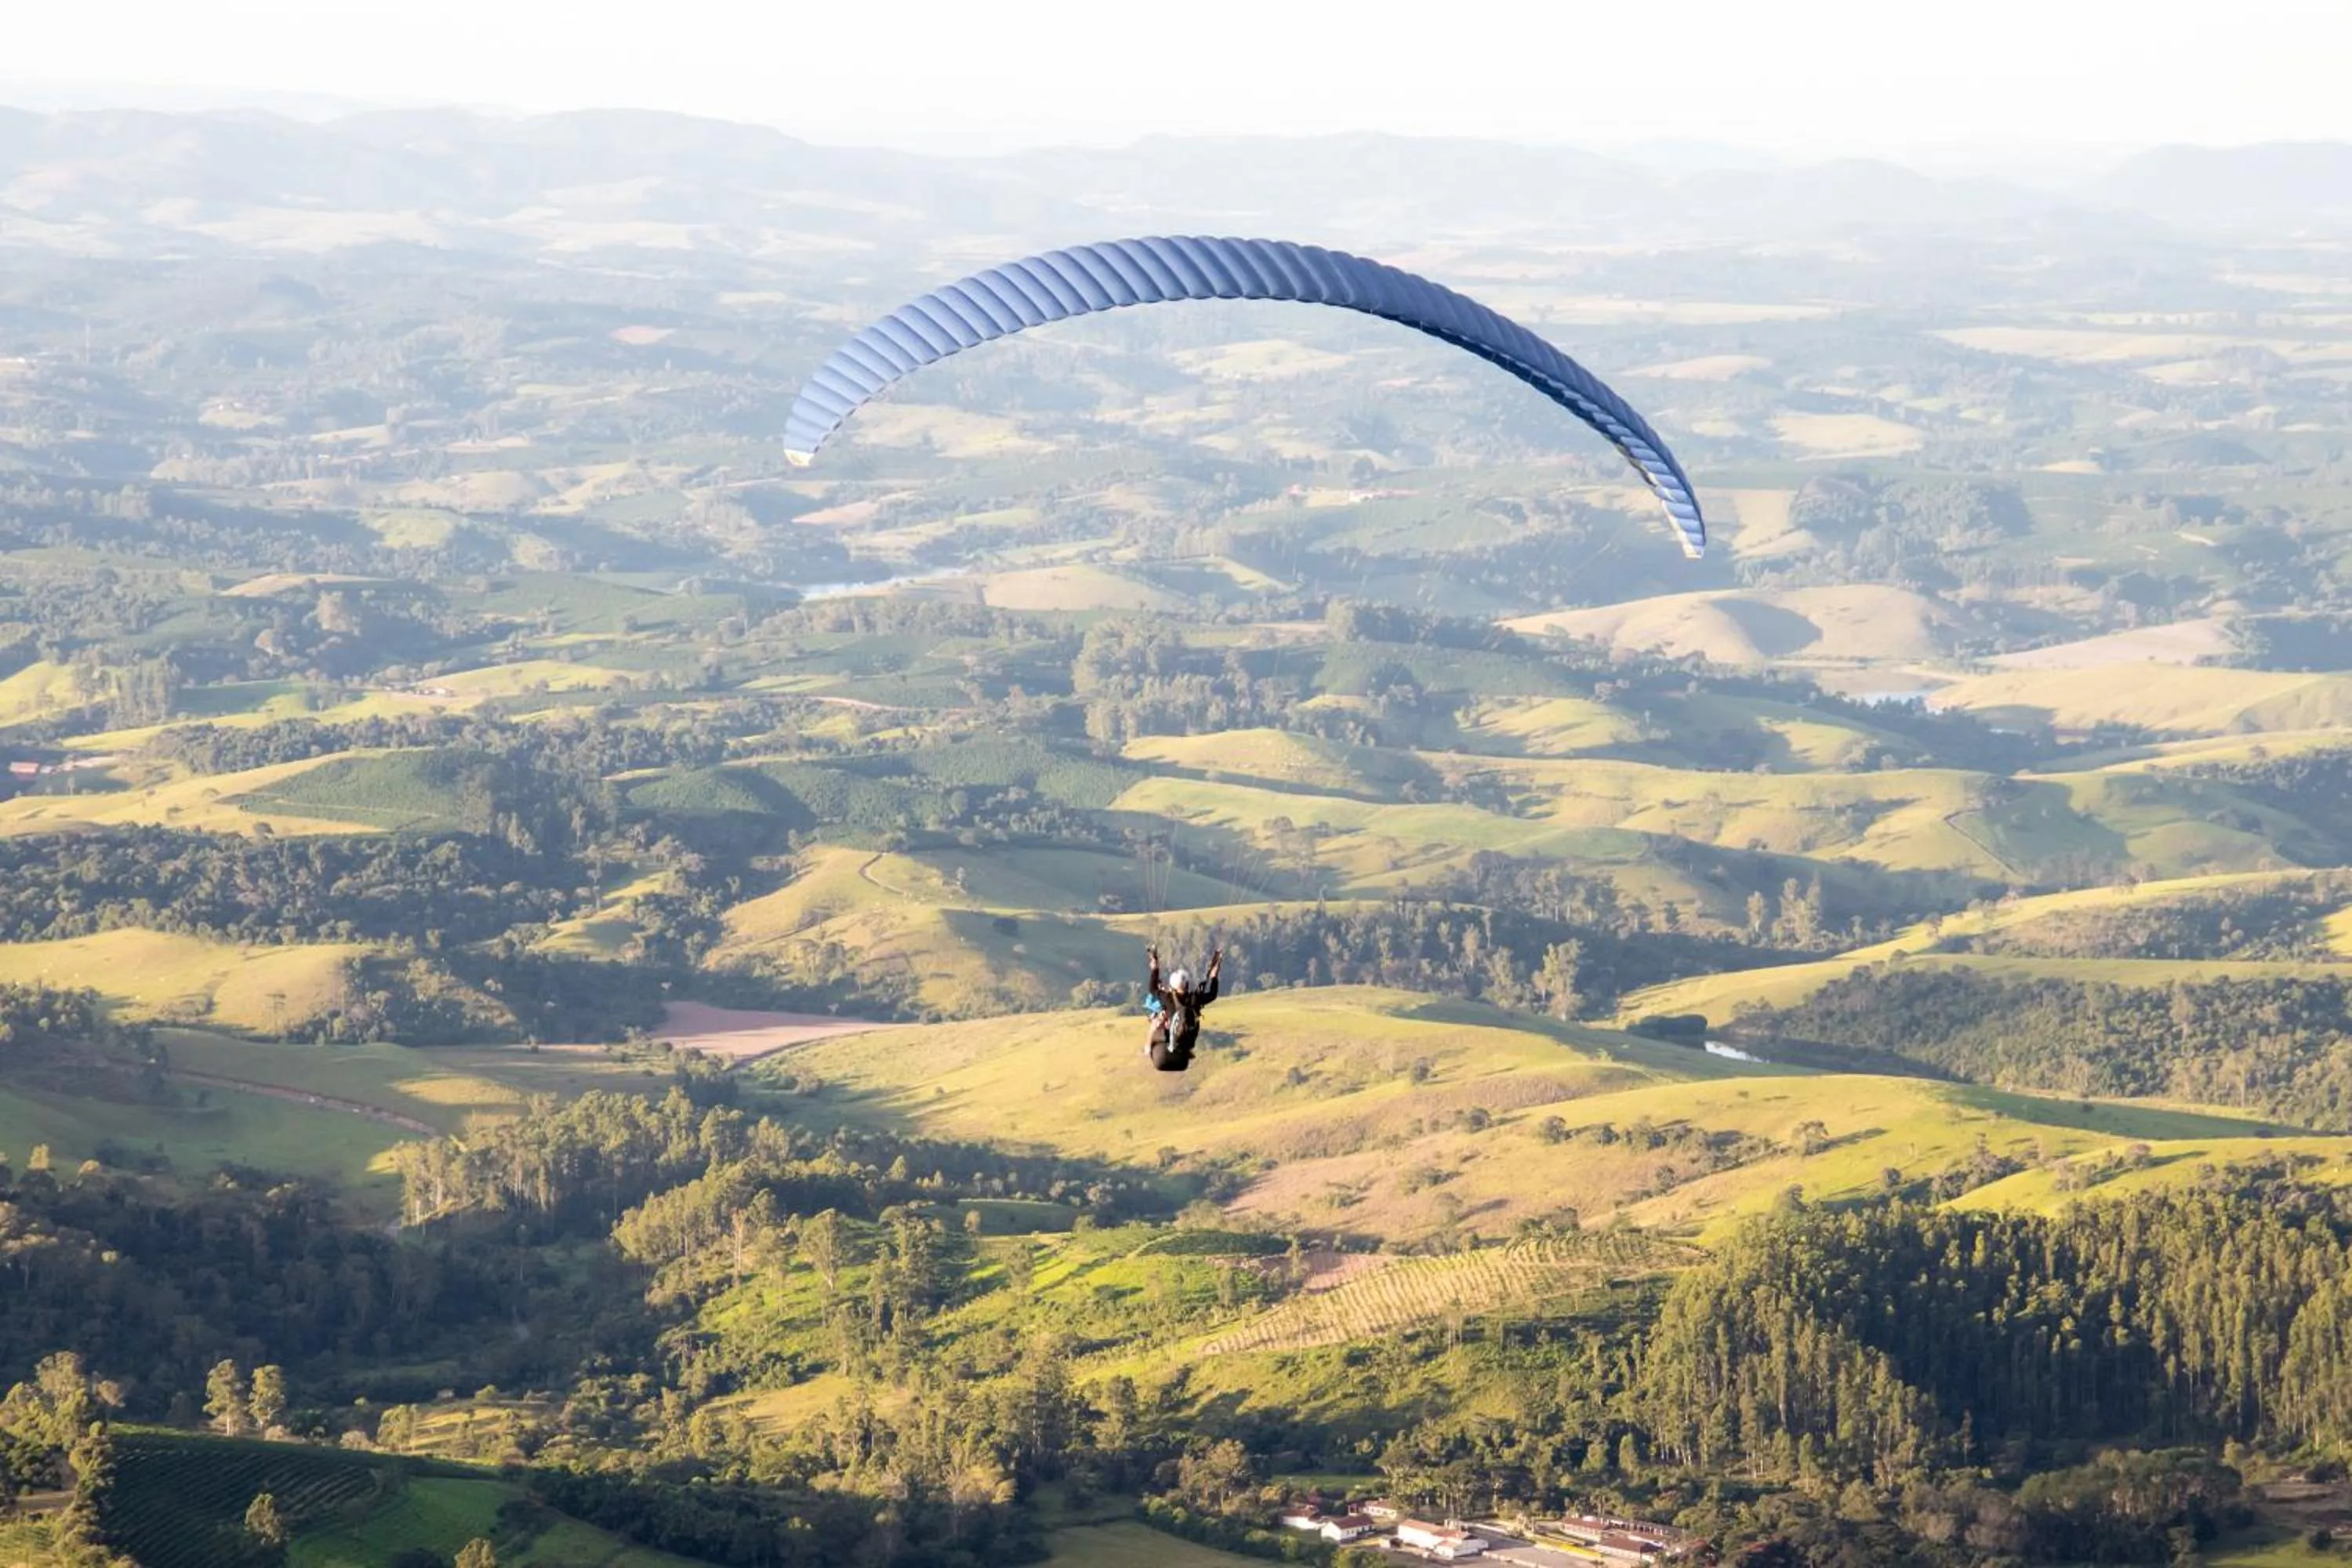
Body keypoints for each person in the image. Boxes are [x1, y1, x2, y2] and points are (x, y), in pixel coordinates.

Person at [1145, 944, 1221, 1072]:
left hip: (1164, 1051)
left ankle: (1148, 1046)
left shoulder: (1167, 998)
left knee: (1156, 1022)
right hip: (1186, 1049)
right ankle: (1187, 1049)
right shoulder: (1195, 998)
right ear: (1187, 984)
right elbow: (1212, 995)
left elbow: (1152, 989)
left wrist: (1155, 968)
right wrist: (1214, 976)